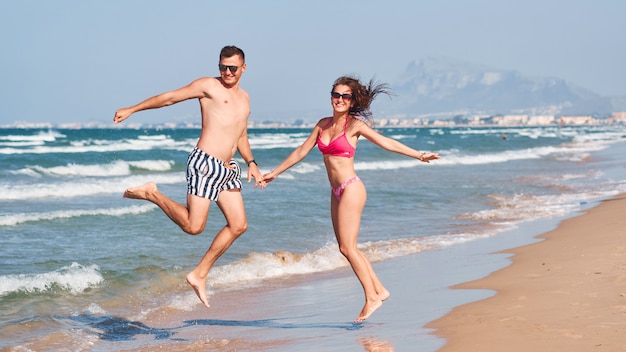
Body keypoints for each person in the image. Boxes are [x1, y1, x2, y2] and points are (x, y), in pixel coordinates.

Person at [262, 76, 440, 323]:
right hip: (335, 192)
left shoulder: (355, 126)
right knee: (348, 248)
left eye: (346, 96)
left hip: (351, 188)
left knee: (347, 247)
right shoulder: (322, 125)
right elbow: (301, 151)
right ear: (331, 96)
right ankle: (380, 290)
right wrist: (274, 173)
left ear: (352, 100)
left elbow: (385, 143)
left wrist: (418, 155)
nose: (340, 99)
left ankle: (371, 297)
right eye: (336, 95)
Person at [113, 45, 262, 308]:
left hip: (227, 169)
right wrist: (133, 109)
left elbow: (241, 135)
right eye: (223, 67)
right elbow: (170, 98)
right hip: (204, 163)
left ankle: (199, 274)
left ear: (244, 68)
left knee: (239, 225)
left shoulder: (246, 98)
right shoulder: (208, 86)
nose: (227, 72)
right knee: (194, 227)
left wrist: (251, 162)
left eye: (233, 68)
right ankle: (152, 193)